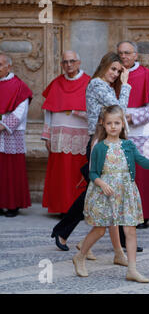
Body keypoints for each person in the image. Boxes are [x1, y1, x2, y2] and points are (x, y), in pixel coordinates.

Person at [50, 52, 141, 258]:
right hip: (99, 143)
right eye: (113, 69)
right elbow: (119, 110)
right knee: (99, 190)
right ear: (104, 66)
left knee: (103, 191)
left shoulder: (104, 85)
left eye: (119, 71)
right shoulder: (97, 85)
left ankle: (83, 238)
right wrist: (126, 85)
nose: (116, 74)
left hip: (106, 142)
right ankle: (68, 232)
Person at [72, 105, 149, 282]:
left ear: (123, 124)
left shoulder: (128, 145)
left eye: (117, 122)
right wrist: (101, 183)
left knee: (130, 230)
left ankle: (132, 269)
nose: (113, 126)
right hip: (105, 192)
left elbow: (142, 161)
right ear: (103, 124)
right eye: (109, 123)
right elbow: (92, 173)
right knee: (99, 230)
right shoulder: (99, 147)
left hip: (125, 192)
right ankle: (80, 256)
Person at [117, 41, 149, 230]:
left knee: (142, 174)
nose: (123, 57)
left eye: (127, 53)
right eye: (120, 53)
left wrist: (131, 117)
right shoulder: (114, 73)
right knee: (122, 173)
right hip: (117, 129)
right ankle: (122, 212)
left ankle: (143, 214)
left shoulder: (146, 75)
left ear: (136, 55)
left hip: (141, 130)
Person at [41, 51, 90, 215]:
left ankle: (77, 209)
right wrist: (47, 135)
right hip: (59, 135)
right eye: (65, 62)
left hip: (80, 135)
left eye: (72, 61)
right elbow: (48, 111)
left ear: (79, 62)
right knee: (60, 174)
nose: (68, 65)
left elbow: (95, 111)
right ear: (61, 64)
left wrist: (76, 111)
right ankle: (61, 207)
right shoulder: (56, 83)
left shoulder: (89, 83)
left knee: (77, 172)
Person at [0, 53, 32, 217]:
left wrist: (2, 125)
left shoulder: (19, 86)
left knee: (11, 170)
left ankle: (12, 205)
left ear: (8, 67)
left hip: (10, 133)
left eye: (0, 65)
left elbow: (21, 111)